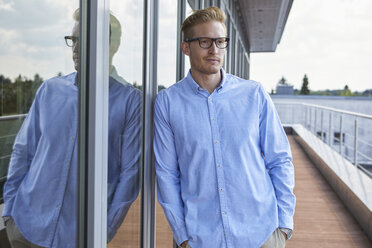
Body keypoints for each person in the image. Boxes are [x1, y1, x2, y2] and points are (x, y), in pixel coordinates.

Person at [154, 6, 295, 248]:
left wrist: (283, 226)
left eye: (220, 42)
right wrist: (183, 236)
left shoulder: (254, 94)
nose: (214, 50)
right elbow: (167, 174)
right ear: (186, 47)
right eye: (205, 42)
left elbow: (280, 159)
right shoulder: (168, 102)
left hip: (261, 234)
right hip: (200, 239)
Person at [2, 10, 141, 247]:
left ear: (111, 46)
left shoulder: (130, 101)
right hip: (26, 228)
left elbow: (130, 174)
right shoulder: (50, 90)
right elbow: (23, 150)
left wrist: (105, 230)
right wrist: (10, 210)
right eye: (73, 40)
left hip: (79, 236)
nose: (75, 48)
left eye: (83, 39)